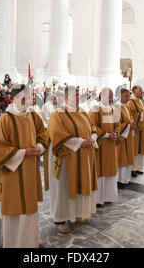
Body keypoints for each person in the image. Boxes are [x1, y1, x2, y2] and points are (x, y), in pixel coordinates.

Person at [0, 84, 48, 248]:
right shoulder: (5, 120)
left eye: (29, 98)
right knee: (14, 213)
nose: (27, 102)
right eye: (24, 98)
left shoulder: (33, 116)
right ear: (14, 98)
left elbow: (43, 136)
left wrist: (39, 148)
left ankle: (30, 244)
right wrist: (23, 153)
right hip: (11, 175)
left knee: (29, 212)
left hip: (29, 173)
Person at [46, 85, 98, 234]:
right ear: (65, 97)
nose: (76, 97)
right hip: (66, 158)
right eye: (73, 95)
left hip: (83, 156)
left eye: (77, 95)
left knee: (80, 185)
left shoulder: (82, 111)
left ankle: (78, 213)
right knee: (64, 188)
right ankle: (60, 218)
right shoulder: (58, 114)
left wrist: (93, 137)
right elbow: (57, 133)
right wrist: (81, 142)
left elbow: (92, 126)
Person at [88, 88, 119, 207]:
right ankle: (98, 199)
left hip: (111, 145)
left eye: (112, 97)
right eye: (109, 97)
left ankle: (108, 196)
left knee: (110, 171)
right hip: (101, 145)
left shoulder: (112, 109)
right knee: (100, 171)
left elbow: (117, 124)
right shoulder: (95, 109)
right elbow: (92, 125)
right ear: (103, 96)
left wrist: (115, 133)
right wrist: (106, 135)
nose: (111, 99)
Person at [114, 86, 135, 188]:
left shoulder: (126, 106)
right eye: (126, 96)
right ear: (120, 96)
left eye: (128, 96)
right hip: (121, 138)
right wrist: (127, 126)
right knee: (121, 158)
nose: (128, 98)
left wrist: (132, 124)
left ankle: (125, 179)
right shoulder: (116, 107)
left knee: (127, 157)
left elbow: (130, 118)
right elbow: (116, 123)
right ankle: (119, 180)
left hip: (128, 136)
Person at [127, 86, 144, 177]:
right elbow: (130, 115)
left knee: (140, 147)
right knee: (135, 148)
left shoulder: (141, 101)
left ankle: (138, 167)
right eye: (140, 90)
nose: (142, 92)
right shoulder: (130, 102)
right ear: (135, 91)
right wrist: (141, 115)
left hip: (142, 128)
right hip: (135, 130)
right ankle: (132, 169)